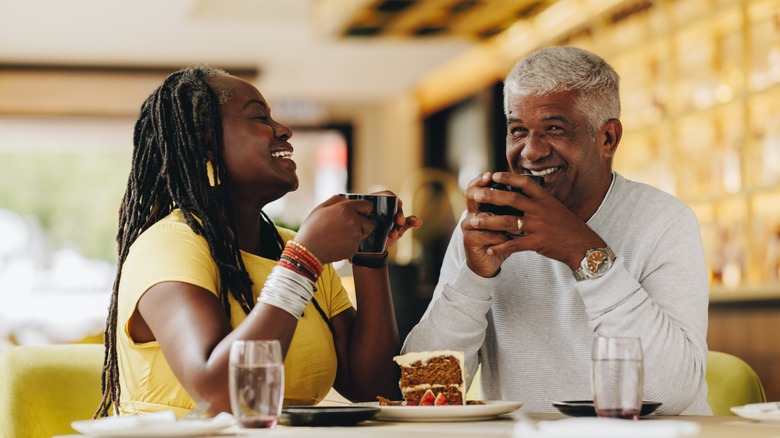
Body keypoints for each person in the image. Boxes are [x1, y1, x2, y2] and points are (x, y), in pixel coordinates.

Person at [95, 65, 421, 417]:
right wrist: (303, 260)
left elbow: (373, 388)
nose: (284, 130)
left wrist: (369, 254)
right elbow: (221, 396)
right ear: (207, 144)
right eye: (259, 118)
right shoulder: (170, 245)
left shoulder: (294, 249)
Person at [402, 46, 711, 415]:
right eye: (518, 130)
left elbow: (671, 393)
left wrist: (582, 252)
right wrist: (474, 279)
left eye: (554, 129)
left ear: (608, 139)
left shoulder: (665, 222)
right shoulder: (487, 228)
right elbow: (423, 390)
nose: (530, 152)